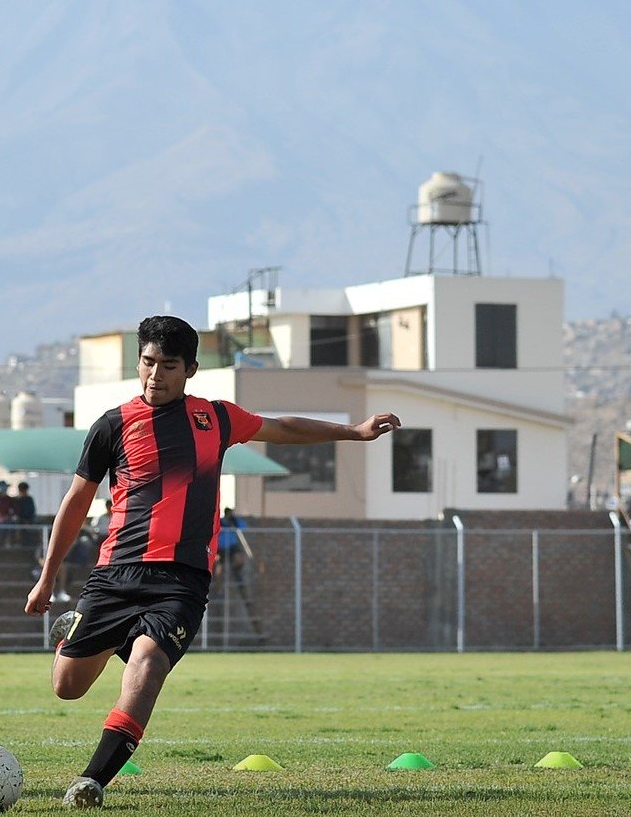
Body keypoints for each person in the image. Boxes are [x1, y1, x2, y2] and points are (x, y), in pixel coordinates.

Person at [25, 315, 401, 809]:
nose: (154, 375)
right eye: (147, 362)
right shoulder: (112, 425)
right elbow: (76, 502)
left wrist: (353, 431)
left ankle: (93, 779)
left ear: (191, 370)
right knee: (66, 687)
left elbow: (281, 427)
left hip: (182, 580)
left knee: (148, 661)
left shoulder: (215, 418)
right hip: (116, 573)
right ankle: (84, 632)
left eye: (168, 365)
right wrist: (47, 578)